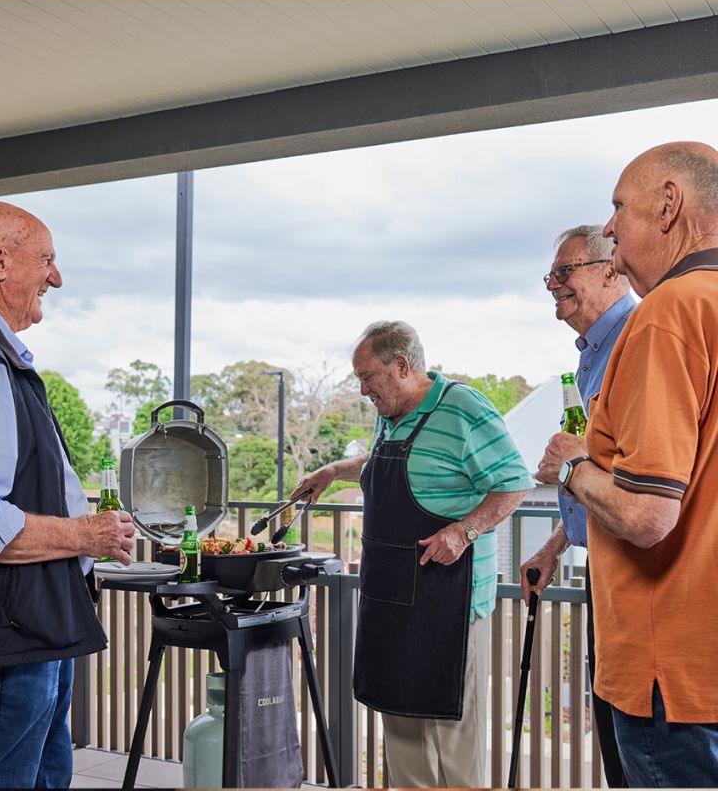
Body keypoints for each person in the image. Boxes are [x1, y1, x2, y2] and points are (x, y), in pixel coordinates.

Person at [0, 202, 136, 788]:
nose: (56, 277)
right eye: (45, 259)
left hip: (28, 632)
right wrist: (85, 534)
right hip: (8, 639)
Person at [536, 142, 718, 787]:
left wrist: (571, 467)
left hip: (668, 670)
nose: (611, 228)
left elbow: (645, 515)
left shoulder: (668, 312)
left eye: (620, 207)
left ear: (670, 205)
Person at [292, 321, 534, 787]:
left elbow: (514, 482)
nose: (363, 390)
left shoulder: (463, 407)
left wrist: (463, 532)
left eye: (368, 377)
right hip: (388, 602)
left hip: (451, 604)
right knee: (401, 738)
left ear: (401, 366)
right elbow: (389, 459)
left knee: (454, 747)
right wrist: (335, 470)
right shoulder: (391, 413)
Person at [521, 224, 634, 787]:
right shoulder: (593, 352)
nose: (554, 285)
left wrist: (571, 461)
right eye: (551, 275)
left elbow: (638, 464)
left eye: (566, 272)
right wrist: (556, 543)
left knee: (639, 739)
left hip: (639, 567)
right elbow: (597, 464)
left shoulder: (637, 337)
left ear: (610, 269)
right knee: (612, 722)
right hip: (603, 564)